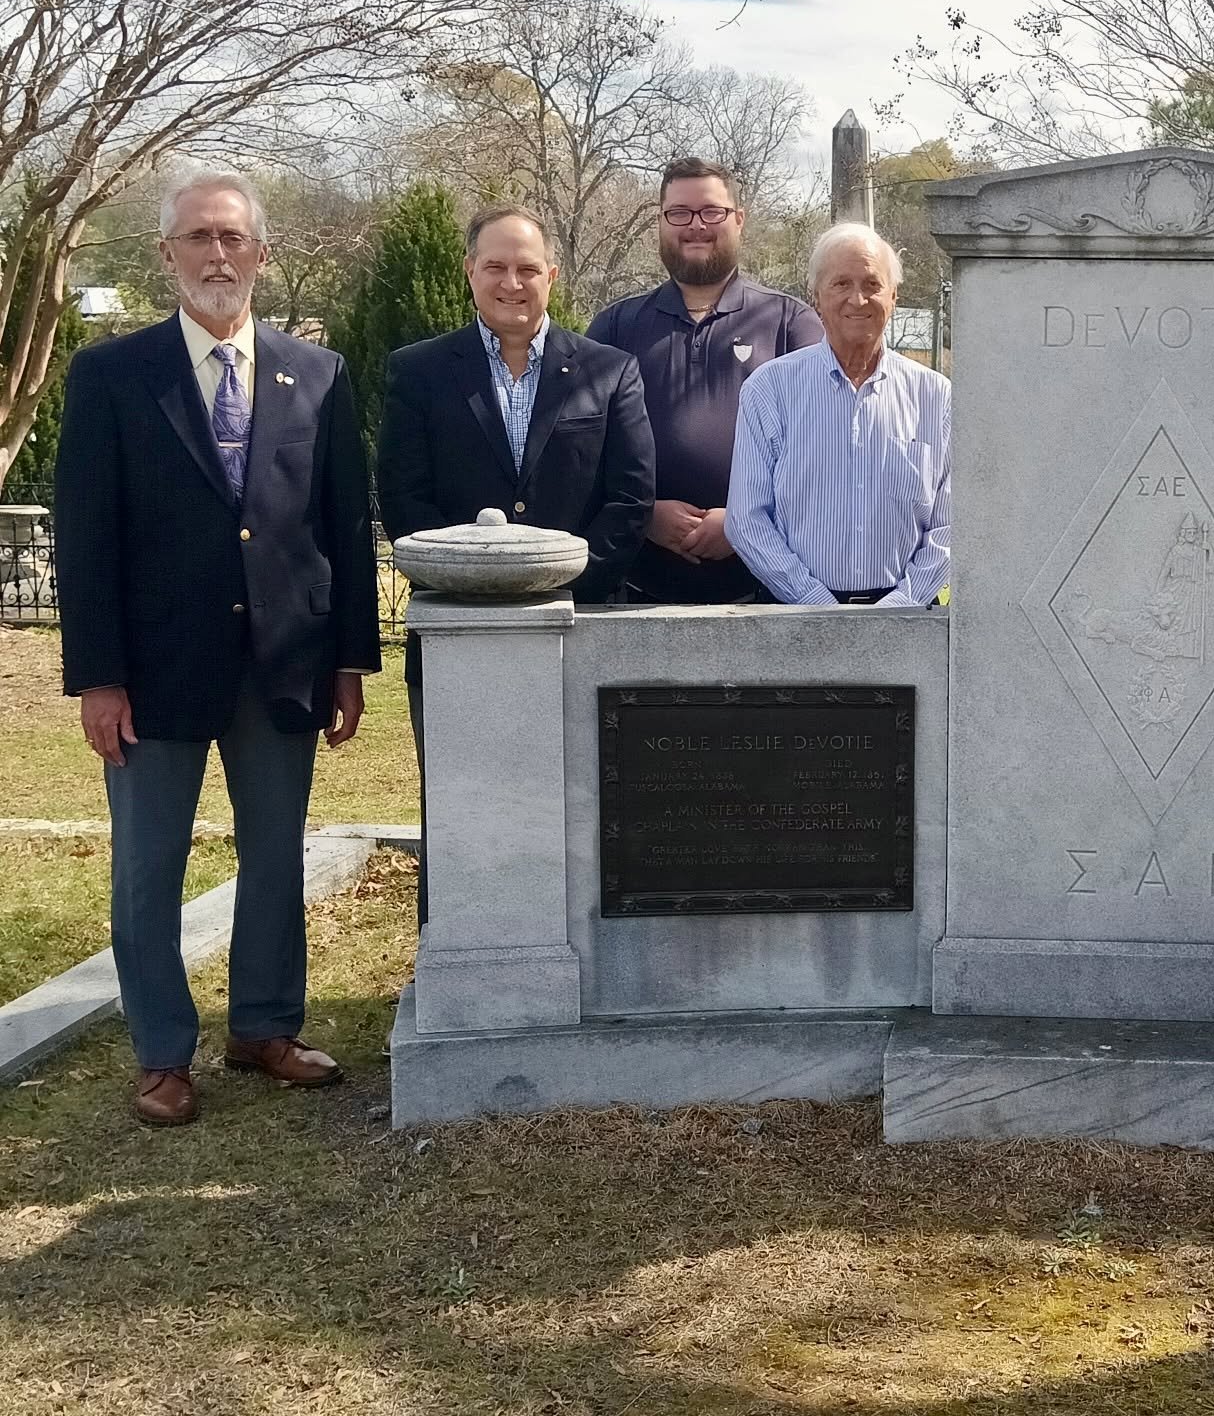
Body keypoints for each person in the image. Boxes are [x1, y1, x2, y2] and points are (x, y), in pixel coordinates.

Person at [54, 170, 380, 1126]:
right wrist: (98, 677)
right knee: (147, 867)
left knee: (275, 853)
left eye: (233, 237)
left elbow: (342, 526)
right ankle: (163, 1053)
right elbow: (85, 538)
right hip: (152, 670)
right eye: (198, 237)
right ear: (168, 254)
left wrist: (348, 661)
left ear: (262, 253)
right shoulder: (113, 376)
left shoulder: (317, 373)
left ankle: (264, 1027)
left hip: (284, 660)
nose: (217, 253)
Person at [376, 205, 655, 924]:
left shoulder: (609, 372)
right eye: (495, 266)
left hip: (580, 628)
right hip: (458, 637)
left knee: (589, 809)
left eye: (527, 268)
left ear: (551, 276)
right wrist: (479, 586)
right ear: (470, 272)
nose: (512, 282)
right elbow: (404, 501)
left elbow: (630, 501)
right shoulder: (419, 372)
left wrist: (553, 587)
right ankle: (457, 952)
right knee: (463, 812)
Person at [588, 157, 823, 604]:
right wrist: (642, 514)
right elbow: (582, 454)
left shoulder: (790, 324)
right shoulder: (615, 327)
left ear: (739, 220)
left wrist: (743, 522)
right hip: (633, 594)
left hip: (768, 593)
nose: (696, 225)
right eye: (679, 213)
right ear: (660, 222)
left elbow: (821, 452)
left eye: (712, 212)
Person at [726, 223, 950, 606]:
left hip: (908, 617)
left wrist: (899, 608)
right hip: (795, 612)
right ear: (815, 297)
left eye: (872, 284)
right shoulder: (770, 390)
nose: (858, 300)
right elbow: (746, 519)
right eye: (841, 284)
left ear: (894, 296)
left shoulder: (935, 396)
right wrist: (817, 605)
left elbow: (951, 525)